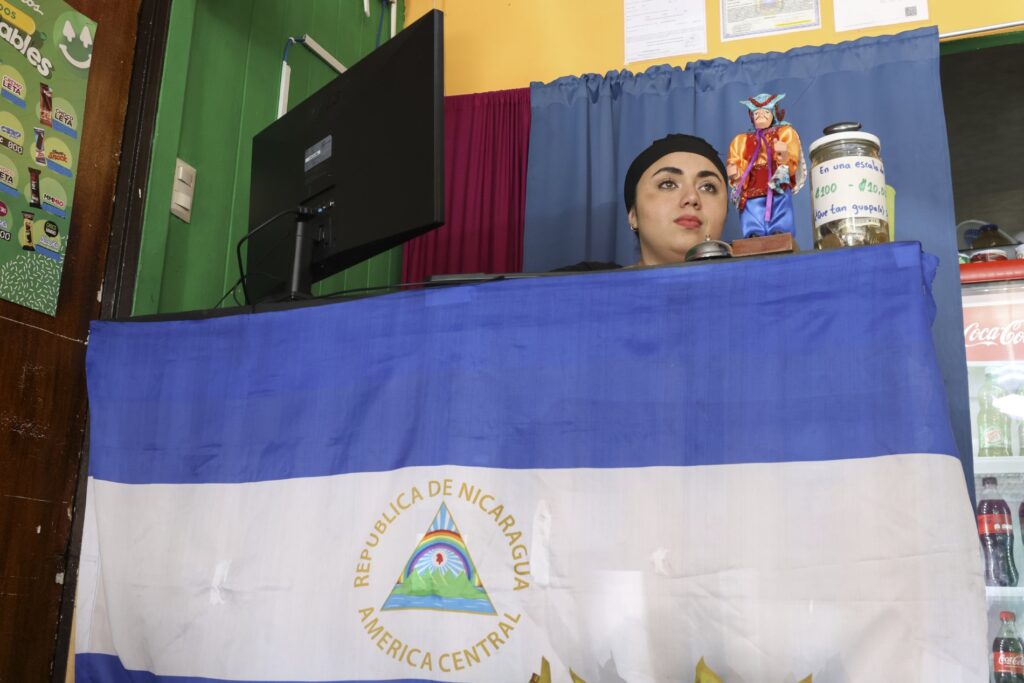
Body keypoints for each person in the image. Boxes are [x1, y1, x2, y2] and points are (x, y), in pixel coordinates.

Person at [554, 134, 730, 271]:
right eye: (668, 184)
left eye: (708, 187)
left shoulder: (747, 290)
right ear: (633, 216)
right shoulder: (573, 287)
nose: (691, 198)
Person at [726, 93, 805, 238]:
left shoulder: (784, 132)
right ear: (751, 116)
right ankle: (753, 231)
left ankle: (780, 229)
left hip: (775, 176)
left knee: (779, 203)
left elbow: (792, 157)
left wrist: (783, 156)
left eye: (766, 112)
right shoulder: (741, 140)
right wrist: (736, 173)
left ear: (773, 114)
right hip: (753, 180)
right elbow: (736, 160)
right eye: (756, 113)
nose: (760, 115)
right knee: (752, 206)